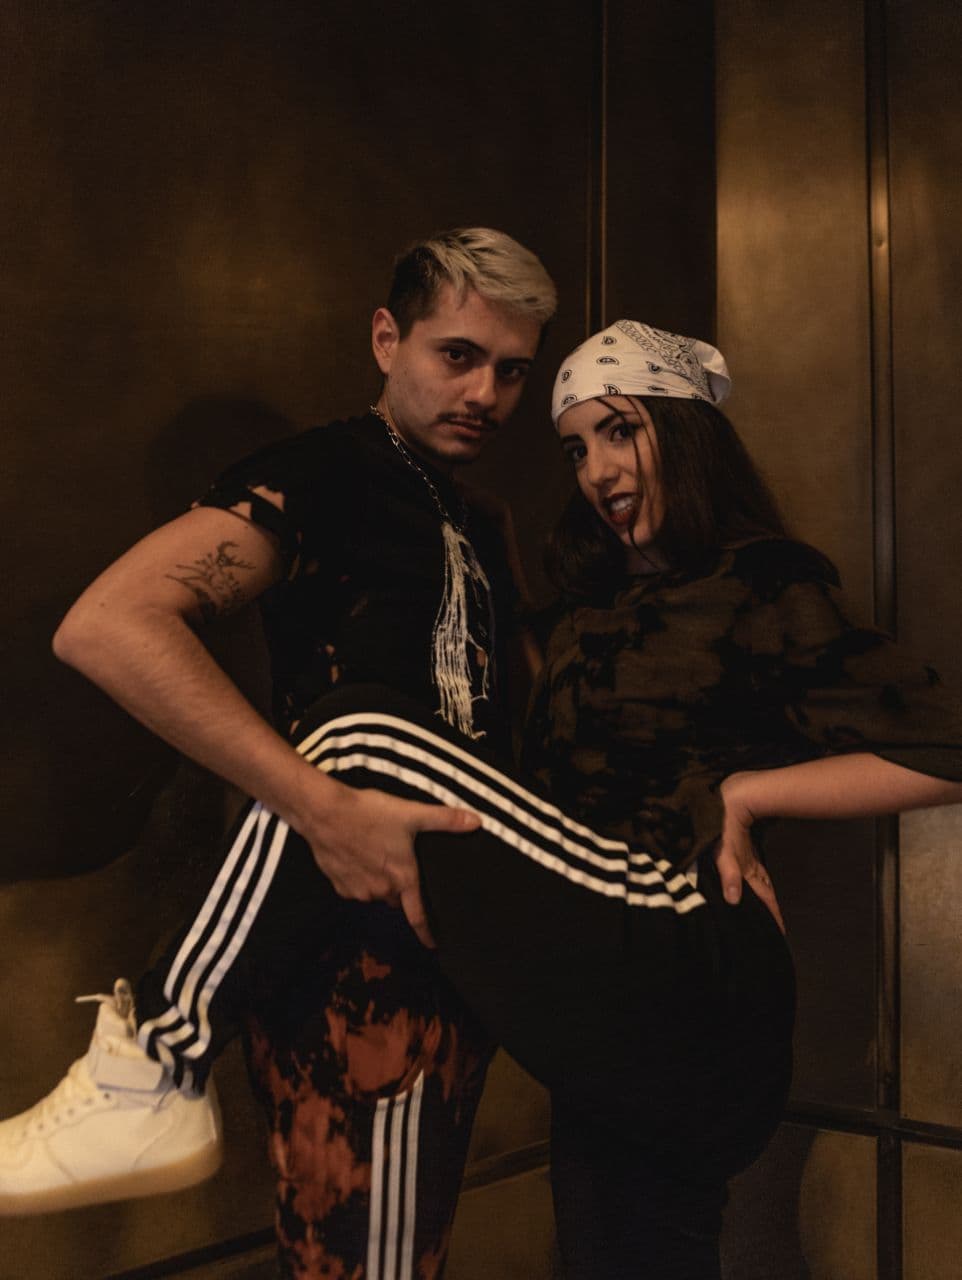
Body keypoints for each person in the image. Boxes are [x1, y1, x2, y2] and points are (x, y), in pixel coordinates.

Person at [0, 227, 557, 1279]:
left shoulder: (481, 517)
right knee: (357, 1259)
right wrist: (317, 802)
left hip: (458, 937)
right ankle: (153, 1061)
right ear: (386, 339)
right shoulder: (327, 470)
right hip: (346, 942)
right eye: (457, 355)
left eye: (511, 370)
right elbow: (108, 624)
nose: (485, 392)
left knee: (400, 1252)